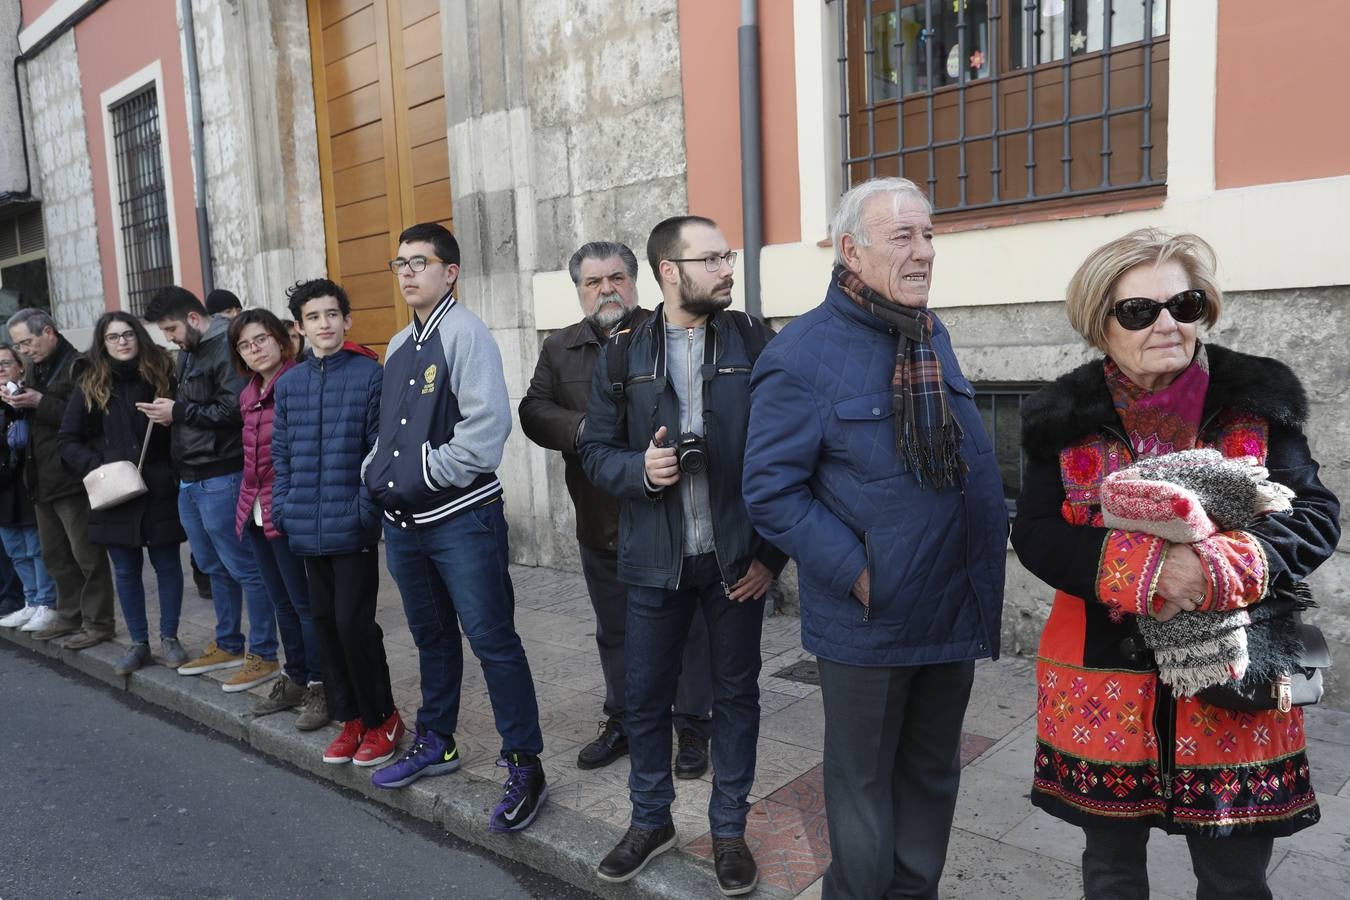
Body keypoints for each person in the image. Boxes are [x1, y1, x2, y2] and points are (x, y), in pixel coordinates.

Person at [1010, 228, 1341, 899]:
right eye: (1139, 311)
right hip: (1102, 679)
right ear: (1100, 323)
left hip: (1236, 673)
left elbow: (1314, 515)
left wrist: (1219, 567)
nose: (1167, 324)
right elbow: (1038, 532)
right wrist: (1151, 571)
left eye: (1183, 305)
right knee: (1111, 874)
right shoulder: (1060, 415)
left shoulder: (1257, 396)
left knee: (1235, 880)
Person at [742, 177, 1007, 899]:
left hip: (950, 606)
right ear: (850, 251)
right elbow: (770, 491)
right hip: (871, 618)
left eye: (928, 234)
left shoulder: (927, 332)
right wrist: (860, 572)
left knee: (932, 775)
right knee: (862, 787)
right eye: (903, 237)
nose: (924, 251)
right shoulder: (799, 355)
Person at [581, 215, 786, 895]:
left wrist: (771, 556)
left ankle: (728, 829)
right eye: (712, 259)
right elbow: (594, 451)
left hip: (737, 562)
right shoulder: (622, 354)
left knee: (736, 697)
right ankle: (651, 821)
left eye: (728, 257)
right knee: (644, 699)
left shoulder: (755, 340)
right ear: (670, 271)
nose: (727, 269)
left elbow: (793, 449)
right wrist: (640, 470)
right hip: (652, 561)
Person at [362, 222, 545, 831]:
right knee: (432, 638)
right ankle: (437, 741)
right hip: (405, 524)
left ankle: (525, 763)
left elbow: (487, 431)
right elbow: (387, 431)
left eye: (420, 262)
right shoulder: (397, 344)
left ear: (450, 272)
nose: (408, 273)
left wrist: (421, 473)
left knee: (493, 640)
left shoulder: (466, 333)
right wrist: (378, 471)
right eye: (401, 263)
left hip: (462, 520)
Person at [518, 240, 713, 775]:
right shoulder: (559, 348)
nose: (606, 289)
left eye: (616, 278)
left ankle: (693, 725)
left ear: (635, 281)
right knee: (615, 629)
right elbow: (533, 411)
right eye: (593, 282)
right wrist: (586, 430)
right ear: (579, 290)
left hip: (670, 517)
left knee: (687, 628)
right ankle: (624, 719)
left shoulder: (670, 332)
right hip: (600, 517)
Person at [272, 278, 399, 754]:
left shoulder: (369, 375)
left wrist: (366, 509)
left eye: (331, 314)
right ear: (300, 328)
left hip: (352, 526)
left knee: (354, 625)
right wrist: (283, 509)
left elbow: (379, 449)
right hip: (304, 526)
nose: (323, 324)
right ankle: (351, 719)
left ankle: (383, 718)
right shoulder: (289, 384)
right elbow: (281, 455)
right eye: (313, 317)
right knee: (324, 624)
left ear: (346, 320)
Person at [139, 286, 280, 692]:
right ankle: (229, 643)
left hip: (222, 474)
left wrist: (178, 411)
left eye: (171, 329)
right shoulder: (189, 350)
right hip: (190, 475)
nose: (169, 338)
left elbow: (234, 410)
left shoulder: (226, 345)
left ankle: (264, 654)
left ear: (193, 319)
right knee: (213, 565)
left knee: (244, 567)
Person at [56, 313, 190, 674]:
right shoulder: (90, 381)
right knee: (127, 570)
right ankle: (138, 644)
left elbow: (183, 426)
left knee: (167, 565)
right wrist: (99, 465)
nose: (122, 342)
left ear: (139, 336)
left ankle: (170, 638)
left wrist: (174, 460)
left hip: (159, 484)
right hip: (113, 489)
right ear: (103, 343)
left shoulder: (162, 372)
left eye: (128, 334)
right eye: (113, 337)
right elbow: (67, 440)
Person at [229, 308, 323, 722]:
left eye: (261, 339)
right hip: (254, 509)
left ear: (281, 340)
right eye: (245, 345)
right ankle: (295, 676)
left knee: (304, 605)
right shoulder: (248, 393)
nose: (255, 349)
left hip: (286, 510)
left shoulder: (298, 382)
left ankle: (320, 685)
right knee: (281, 601)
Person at [3, 309, 116, 648]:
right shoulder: (36, 368)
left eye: (27, 342)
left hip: (71, 477)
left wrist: (39, 401)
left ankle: (99, 623)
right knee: (55, 555)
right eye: (18, 346)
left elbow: (91, 417)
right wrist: (17, 400)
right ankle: (69, 615)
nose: (24, 351)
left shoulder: (80, 365)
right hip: (41, 476)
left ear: (49, 332)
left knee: (87, 556)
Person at [0, 343, 58, 632]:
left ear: (20, 367)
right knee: (15, 549)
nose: (0, 369)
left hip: (27, 482)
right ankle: (31, 600)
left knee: (36, 548)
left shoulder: (28, 397)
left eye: (5, 363)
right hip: (3, 487)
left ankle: (46, 602)